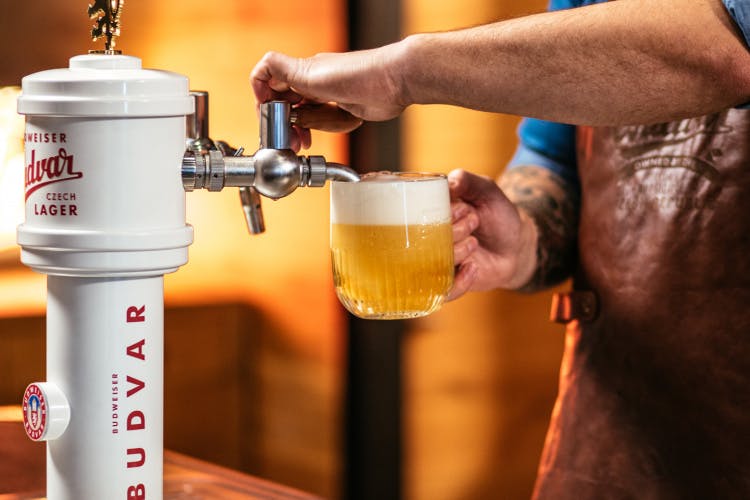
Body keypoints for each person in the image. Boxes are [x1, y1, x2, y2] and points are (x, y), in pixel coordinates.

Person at [251, 0, 750, 497]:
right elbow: (554, 158)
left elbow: (729, 51)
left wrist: (402, 70)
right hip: (611, 434)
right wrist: (525, 236)